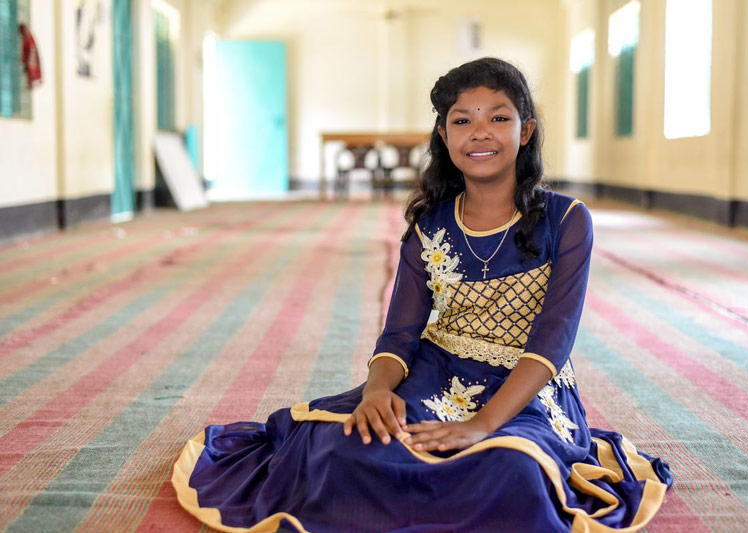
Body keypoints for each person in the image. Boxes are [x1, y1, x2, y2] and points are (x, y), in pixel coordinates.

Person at [172, 57, 673, 532]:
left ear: (527, 129)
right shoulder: (429, 223)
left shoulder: (566, 220)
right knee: (348, 446)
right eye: (461, 121)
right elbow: (400, 334)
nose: (480, 132)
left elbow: (553, 342)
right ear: (443, 135)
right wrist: (375, 394)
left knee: (513, 470)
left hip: (526, 387)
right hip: (438, 370)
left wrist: (481, 424)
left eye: (498, 117)